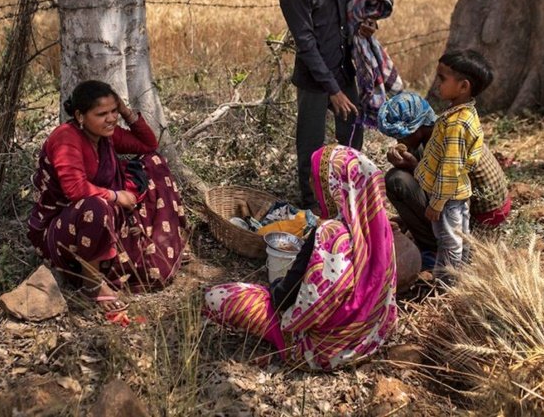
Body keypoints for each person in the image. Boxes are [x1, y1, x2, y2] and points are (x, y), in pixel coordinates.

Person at [203, 144, 397, 371]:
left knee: (217, 296)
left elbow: (285, 300)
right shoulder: (380, 232)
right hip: (370, 338)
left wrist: (275, 284)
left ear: (334, 186)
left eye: (316, 180)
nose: (312, 187)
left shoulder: (330, 236)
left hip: (321, 350)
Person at [27, 80, 186, 312]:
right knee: (95, 206)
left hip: (102, 216)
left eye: (114, 111)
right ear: (80, 116)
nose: (111, 118)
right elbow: (75, 190)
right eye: (102, 113)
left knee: (154, 162)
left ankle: (159, 241)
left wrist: (125, 111)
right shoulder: (66, 137)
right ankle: (92, 283)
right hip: (63, 229)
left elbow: (148, 144)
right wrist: (116, 196)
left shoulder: (105, 135)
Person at [279, 0, 377, 210]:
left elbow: (350, 7)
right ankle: (313, 206)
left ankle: (346, 195)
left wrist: (364, 24)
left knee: (352, 135)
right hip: (315, 80)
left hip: (344, 69)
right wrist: (333, 91)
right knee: (310, 147)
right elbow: (306, 45)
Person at [379, 91, 511, 271]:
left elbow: (448, 184)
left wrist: (413, 168)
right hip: (466, 199)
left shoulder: (447, 140)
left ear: (418, 126)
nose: (399, 140)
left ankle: (434, 250)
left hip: (477, 217)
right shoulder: (439, 126)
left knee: (397, 180)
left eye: (402, 135)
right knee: (411, 161)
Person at [406, 50, 494, 281]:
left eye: (443, 79)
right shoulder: (466, 114)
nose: (437, 84)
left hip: (447, 196)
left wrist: (436, 203)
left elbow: (451, 168)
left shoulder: (456, 125)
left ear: (463, 86)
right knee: (459, 236)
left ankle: (447, 283)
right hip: (457, 192)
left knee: (449, 240)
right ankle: (461, 276)